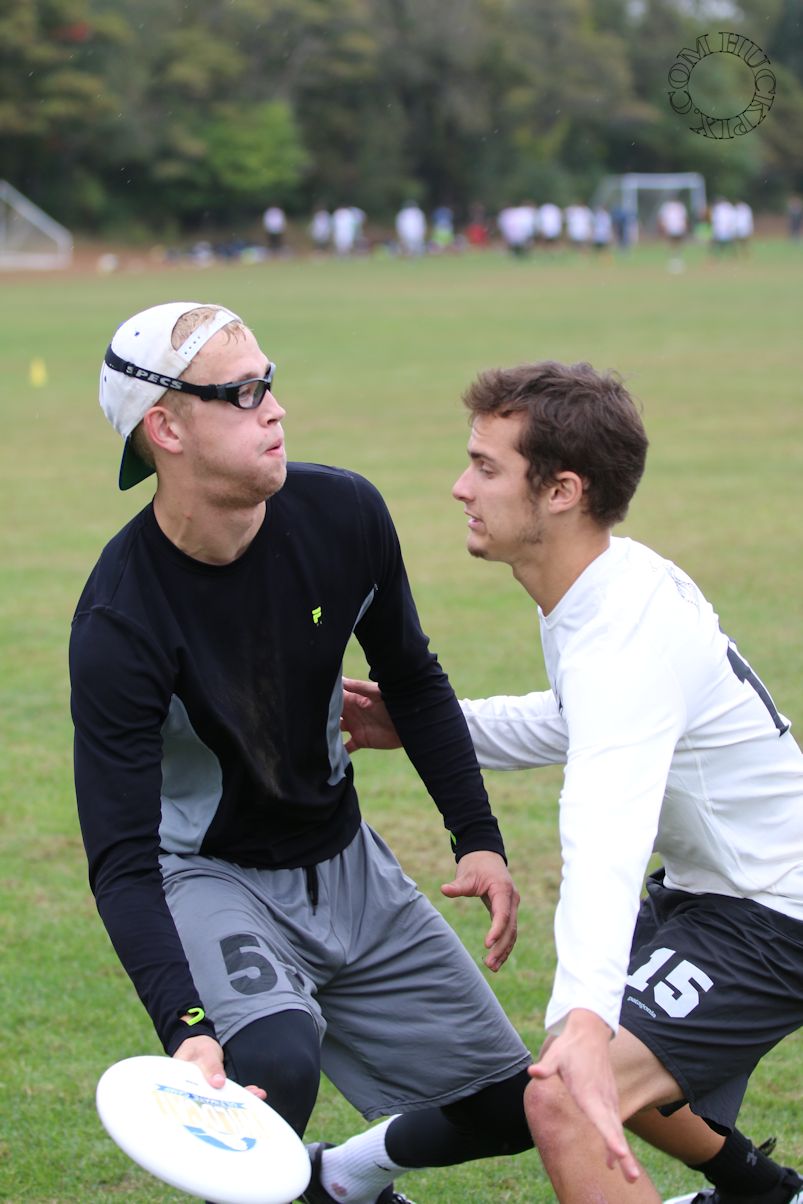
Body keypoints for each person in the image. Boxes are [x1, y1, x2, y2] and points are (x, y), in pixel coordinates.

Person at [70, 301, 541, 1204]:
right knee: (274, 1065)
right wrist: (185, 1027)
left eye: (269, 383)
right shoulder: (119, 623)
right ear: (164, 428)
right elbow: (122, 861)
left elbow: (412, 677)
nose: (275, 408)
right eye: (242, 393)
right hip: (212, 875)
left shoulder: (344, 513)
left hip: (349, 862)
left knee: (509, 1110)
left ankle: (339, 1178)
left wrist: (477, 838)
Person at [341, 360, 803, 1204]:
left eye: (485, 468)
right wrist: (426, 727)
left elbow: (604, 830)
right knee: (592, 1066)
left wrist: (584, 1017)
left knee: (564, 1093)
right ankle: (762, 1191)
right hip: (718, 888)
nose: (459, 488)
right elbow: (577, 719)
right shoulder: (608, 584)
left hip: (772, 911)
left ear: (561, 491)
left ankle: (341, 1176)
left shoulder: (621, 634)